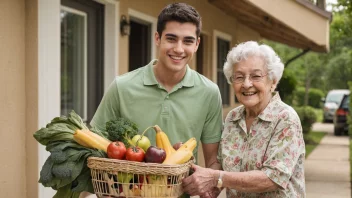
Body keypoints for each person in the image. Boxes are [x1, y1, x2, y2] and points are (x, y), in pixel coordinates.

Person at [80, 3, 222, 197]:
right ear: (157, 38)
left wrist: (211, 187)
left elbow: (213, 160)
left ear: (196, 44)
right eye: (171, 39)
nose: (179, 49)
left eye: (188, 41)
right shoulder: (122, 86)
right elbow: (93, 147)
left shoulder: (209, 92)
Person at [182, 41, 305, 198]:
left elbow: (273, 178)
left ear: (273, 81)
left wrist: (215, 178)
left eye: (256, 76)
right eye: (239, 77)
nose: (247, 84)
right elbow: (220, 166)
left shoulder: (285, 118)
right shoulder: (233, 118)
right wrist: (194, 171)